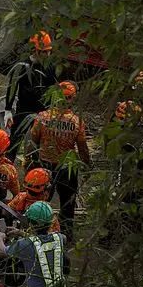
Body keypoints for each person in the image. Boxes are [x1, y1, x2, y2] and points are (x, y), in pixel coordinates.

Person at [29, 81, 91, 241]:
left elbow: (32, 141)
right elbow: (83, 147)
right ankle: (66, 237)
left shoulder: (42, 117)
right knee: (67, 205)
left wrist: (31, 162)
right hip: (66, 169)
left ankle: (34, 231)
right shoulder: (76, 121)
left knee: (39, 200)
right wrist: (87, 165)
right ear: (71, 99)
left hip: (44, 165)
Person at [0, 201, 69, 287]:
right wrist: (21, 233)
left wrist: (0, 237)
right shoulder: (59, 238)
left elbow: (1, 252)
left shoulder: (25, 245)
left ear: (30, 223)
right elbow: (42, 241)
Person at [6, 31, 60, 159]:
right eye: (44, 52)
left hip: (42, 113)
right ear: (35, 50)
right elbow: (12, 88)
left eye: (49, 51)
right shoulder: (22, 66)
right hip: (23, 111)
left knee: (38, 147)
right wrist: (8, 110)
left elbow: (53, 90)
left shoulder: (50, 68)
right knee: (14, 142)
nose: (47, 54)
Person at [9, 168, 61, 233]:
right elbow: (52, 237)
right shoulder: (46, 212)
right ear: (45, 191)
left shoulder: (20, 197)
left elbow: (6, 212)